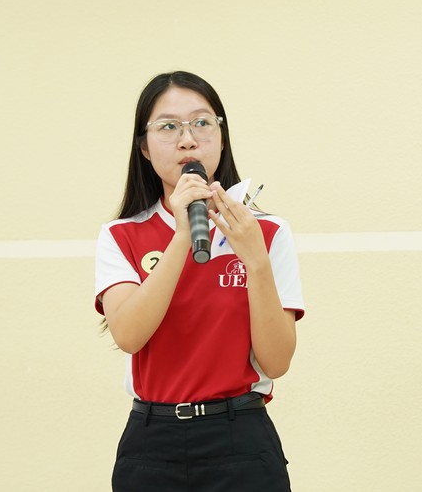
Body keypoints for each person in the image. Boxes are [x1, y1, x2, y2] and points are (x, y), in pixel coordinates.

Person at [94, 70, 305, 491]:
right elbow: (129, 335)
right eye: (168, 127)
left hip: (240, 437)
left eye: (202, 123)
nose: (188, 140)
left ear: (222, 138)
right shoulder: (121, 235)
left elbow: (277, 362)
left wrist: (255, 260)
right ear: (144, 147)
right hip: (152, 442)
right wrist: (181, 237)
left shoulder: (265, 232)